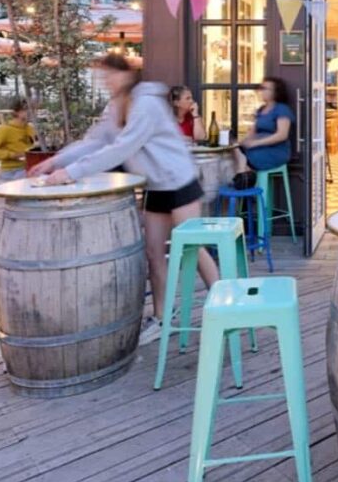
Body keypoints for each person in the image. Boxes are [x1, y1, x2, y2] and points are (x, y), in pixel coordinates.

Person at [28, 54, 218, 345]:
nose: (107, 82)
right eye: (103, 78)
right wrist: (55, 161)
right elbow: (94, 141)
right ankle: (162, 317)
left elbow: (122, 147)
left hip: (179, 181)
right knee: (154, 255)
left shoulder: (148, 104)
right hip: (155, 186)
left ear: (127, 74)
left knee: (194, 247)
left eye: (110, 76)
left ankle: (222, 306)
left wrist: (71, 172)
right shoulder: (116, 107)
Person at [233, 76, 294, 186]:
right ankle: (244, 176)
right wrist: (243, 141)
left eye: (266, 89)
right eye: (261, 88)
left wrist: (256, 143)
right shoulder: (261, 109)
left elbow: (282, 135)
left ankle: (245, 179)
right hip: (259, 147)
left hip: (275, 151)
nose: (262, 91)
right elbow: (252, 131)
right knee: (234, 149)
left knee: (249, 157)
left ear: (275, 92)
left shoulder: (282, 109)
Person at [0, 98, 36, 180]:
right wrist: (12, 155)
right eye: (27, 109)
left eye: (33, 109)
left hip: (27, 167)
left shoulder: (30, 128)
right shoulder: (5, 130)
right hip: (11, 170)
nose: (31, 112)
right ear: (17, 112)